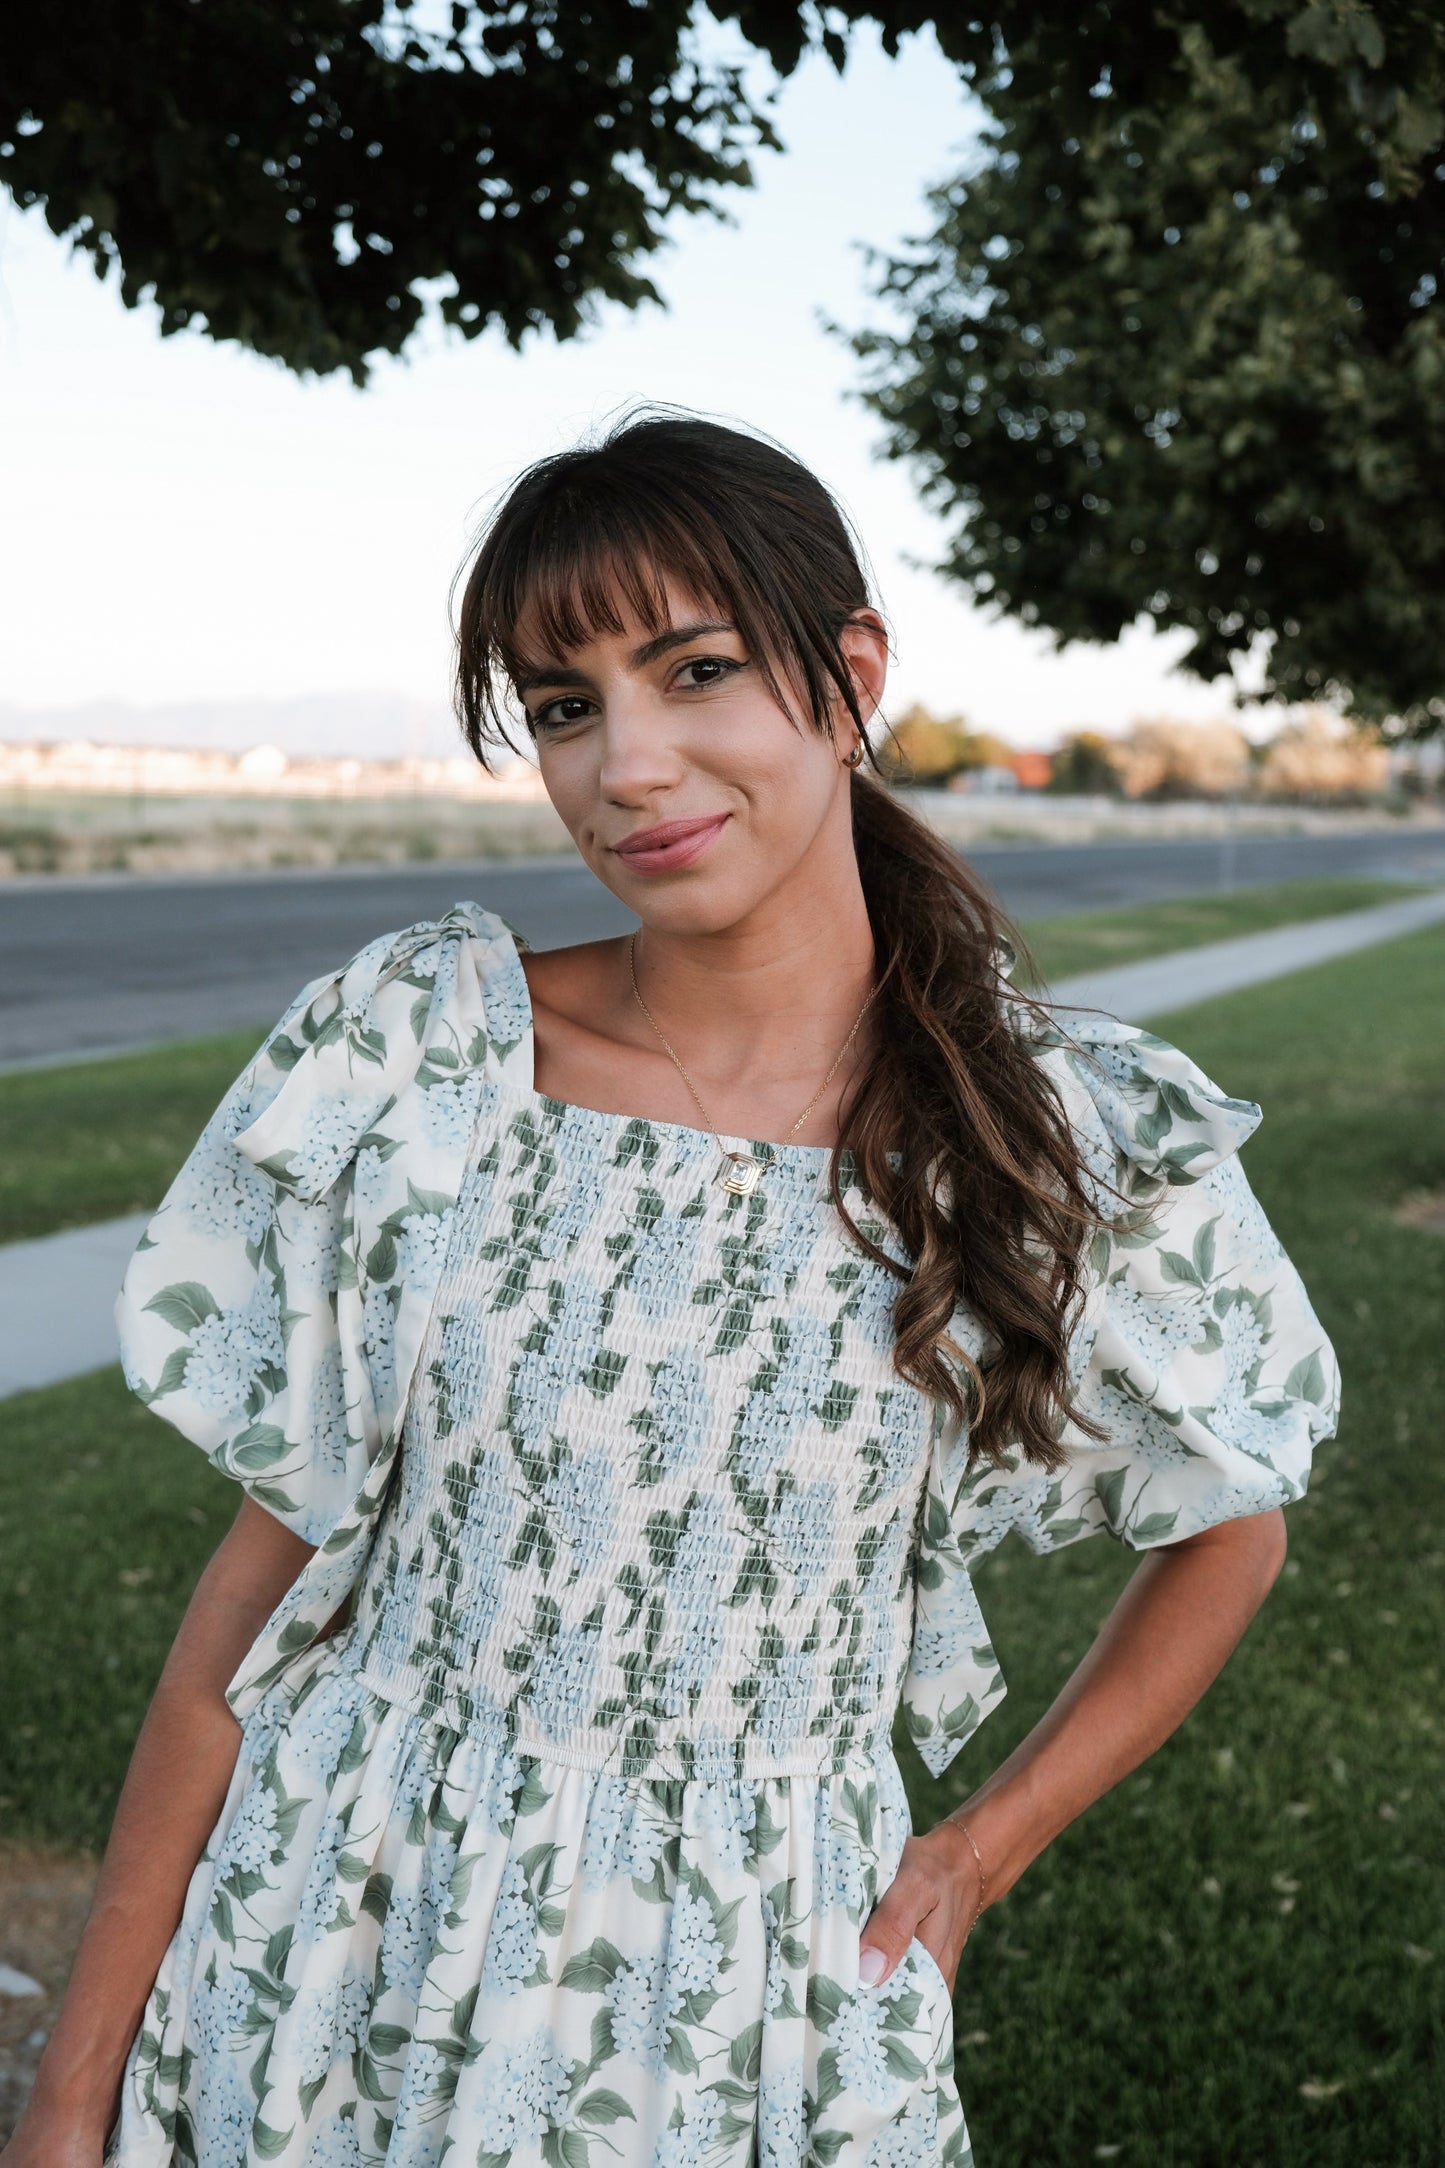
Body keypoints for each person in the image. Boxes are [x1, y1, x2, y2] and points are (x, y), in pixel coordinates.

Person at [6, 411, 1339, 2168]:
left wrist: (977, 1852)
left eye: (692, 670)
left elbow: (1235, 1509)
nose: (627, 763)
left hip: (740, 2021)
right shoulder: (433, 1060)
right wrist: (73, 2086)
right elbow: (253, 1610)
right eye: (563, 706)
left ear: (847, 676)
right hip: (323, 1947)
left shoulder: (1039, 1135)